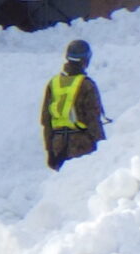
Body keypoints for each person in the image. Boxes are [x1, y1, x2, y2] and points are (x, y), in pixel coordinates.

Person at [41, 37, 105, 170]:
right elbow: (93, 119)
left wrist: (50, 151)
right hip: (82, 145)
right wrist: (103, 148)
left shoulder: (54, 83)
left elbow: (46, 120)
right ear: (86, 60)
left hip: (58, 145)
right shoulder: (86, 85)